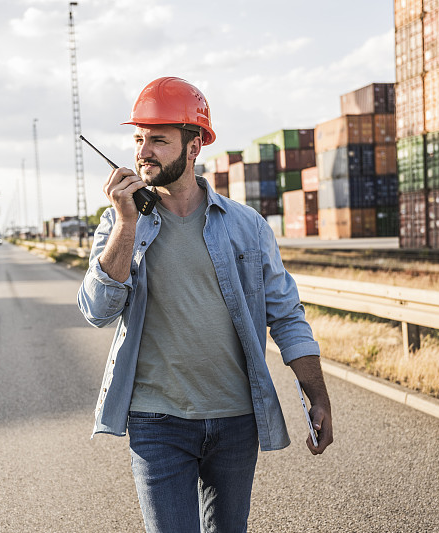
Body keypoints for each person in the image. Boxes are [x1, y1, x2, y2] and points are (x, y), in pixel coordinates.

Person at [77, 76, 333, 533]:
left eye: (158, 139)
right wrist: (125, 225)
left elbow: (286, 315)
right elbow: (96, 309)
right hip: (157, 421)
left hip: (236, 420)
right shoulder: (119, 224)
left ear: (194, 147)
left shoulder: (246, 227)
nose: (144, 151)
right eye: (139, 138)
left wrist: (317, 395)